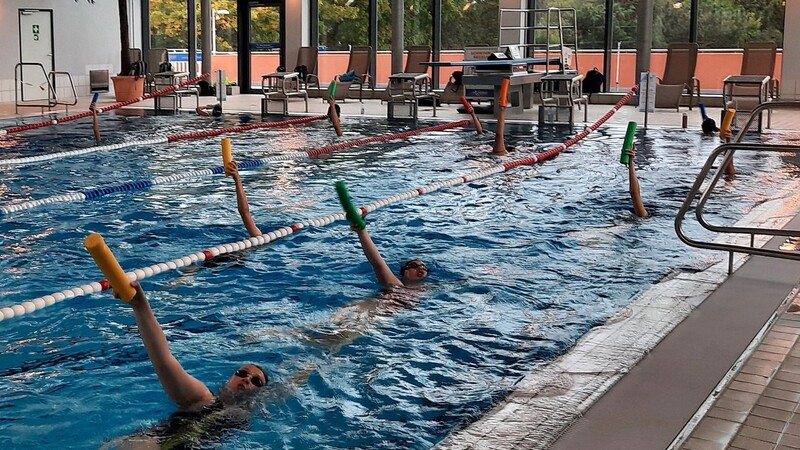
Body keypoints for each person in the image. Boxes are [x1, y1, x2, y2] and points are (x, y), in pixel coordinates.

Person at [103, 281, 268, 449]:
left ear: (261, 391)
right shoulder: (202, 398)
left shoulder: (253, 412)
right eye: (242, 373)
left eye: (256, 381)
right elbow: (164, 361)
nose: (247, 379)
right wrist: (140, 306)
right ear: (230, 378)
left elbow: (291, 382)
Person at [225, 160, 262, 237]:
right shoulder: (260, 238)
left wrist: (237, 178)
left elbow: (244, 213)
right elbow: (244, 213)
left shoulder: (259, 238)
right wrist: (236, 177)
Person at [625, 144, 649, 218]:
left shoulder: (642, 215)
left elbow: (634, 193)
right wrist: (631, 162)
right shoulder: (643, 216)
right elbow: (634, 194)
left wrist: (631, 162)